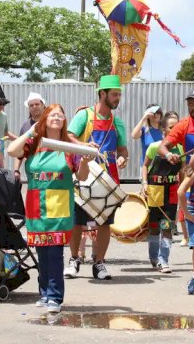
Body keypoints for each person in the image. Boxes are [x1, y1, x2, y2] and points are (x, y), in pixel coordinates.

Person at [8, 104, 93, 313]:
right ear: (44, 119)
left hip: (59, 206)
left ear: (64, 120)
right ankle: (44, 292)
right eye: (52, 114)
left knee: (54, 253)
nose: (57, 117)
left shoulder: (70, 145)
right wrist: (31, 130)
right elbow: (11, 151)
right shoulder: (33, 143)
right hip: (36, 206)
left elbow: (82, 176)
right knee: (42, 252)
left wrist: (84, 161)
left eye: (60, 115)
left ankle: (55, 296)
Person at [66, 75, 129, 280]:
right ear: (102, 94)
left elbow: (123, 151)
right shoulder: (85, 115)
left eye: (119, 94)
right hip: (85, 175)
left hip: (107, 179)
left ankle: (99, 263)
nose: (117, 98)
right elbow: (69, 136)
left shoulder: (117, 122)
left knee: (104, 223)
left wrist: (122, 159)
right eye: (114, 94)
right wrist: (84, 147)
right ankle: (74, 259)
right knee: (77, 221)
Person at [158, 89, 194, 295]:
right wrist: (169, 155)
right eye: (190, 103)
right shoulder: (183, 125)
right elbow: (164, 146)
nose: (193, 107)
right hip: (193, 182)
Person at [141, 111, 182, 273]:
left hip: (171, 193)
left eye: (178, 126)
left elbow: (184, 171)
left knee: (167, 226)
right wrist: (144, 183)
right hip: (154, 191)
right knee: (153, 227)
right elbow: (145, 166)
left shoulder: (181, 148)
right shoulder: (153, 147)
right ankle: (154, 258)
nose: (176, 129)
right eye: (172, 127)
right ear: (164, 130)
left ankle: (163, 260)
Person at [14, 92, 45, 182]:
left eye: (37, 104)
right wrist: (16, 170)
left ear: (43, 105)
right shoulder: (25, 126)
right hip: (32, 172)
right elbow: (19, 150)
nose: (34, 107)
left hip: (50, 171)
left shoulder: (51, 123)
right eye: (31, 105)